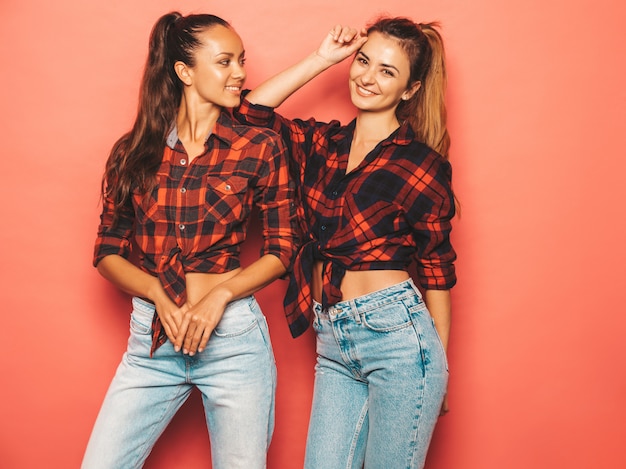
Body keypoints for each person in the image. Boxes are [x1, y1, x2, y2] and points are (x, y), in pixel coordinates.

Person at [235, 17, 457, 469]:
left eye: (387, 71)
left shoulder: (421, 164)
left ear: (410, 90)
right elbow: (247, 116)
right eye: (363, 60)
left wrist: (440, 372)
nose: (367, 77)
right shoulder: (322, 143)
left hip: (397, 337)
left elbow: (437, 271)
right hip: (332, 337)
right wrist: (321, 59)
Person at [82, 11, 298, 469]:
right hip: (153, 340)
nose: (239, 72)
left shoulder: (259, 146)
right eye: (224, 62)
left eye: (241, 60)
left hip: (233, 341)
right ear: (184, 71)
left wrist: (220, 296)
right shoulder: (134, 151)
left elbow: (282, 249)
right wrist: (157, 293)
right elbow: (107, 252)